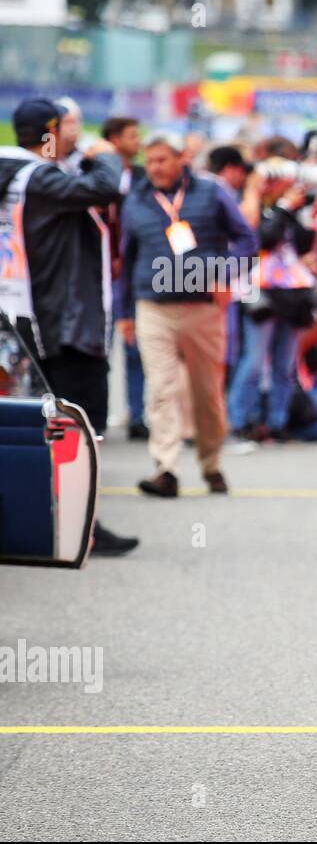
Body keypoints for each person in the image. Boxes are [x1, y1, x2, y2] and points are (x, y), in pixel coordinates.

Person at [0, 97, 138, 556]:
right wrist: (107, 155)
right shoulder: (41, 178)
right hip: (59, 323)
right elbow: (104, 187)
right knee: (76, 425)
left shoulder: (13, 173)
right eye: (71, 126)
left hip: (21, 315)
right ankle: (78, 526)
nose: (78, 136)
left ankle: (46, 520)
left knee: (30, 426)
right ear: (51, 129)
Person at [118, 132, 258, 497]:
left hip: (203, 308)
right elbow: (127, 257)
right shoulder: (136, 198)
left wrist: (224, 276)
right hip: (153, 307)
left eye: (162, 160)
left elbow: (246, 239)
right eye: (150, 161)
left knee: (206, 392)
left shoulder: (212, 192)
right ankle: (165, 468)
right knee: (160, 390)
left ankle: (211, 463)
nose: (154, 168)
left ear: (182, 159)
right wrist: (124, 312)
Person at [228, 157, 317, 442]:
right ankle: (240, 420)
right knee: (254, 361)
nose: (284, 186)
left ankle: (277, 422)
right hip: (260, 290)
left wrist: (299, 212)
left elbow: (305, 243)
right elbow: (263, 239)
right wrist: (281, 207)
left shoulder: (291, 209)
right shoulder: (255, 206)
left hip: (292, 291)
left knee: (284, 364)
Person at [103, 116, 149, 441]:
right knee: (100, 346)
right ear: (114, 139)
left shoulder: (143, 178)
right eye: (133, 136)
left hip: (132, 270)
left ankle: (138, 415)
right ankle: (95, 413)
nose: (139, 142)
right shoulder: (96, 175)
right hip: (100, 272)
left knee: (136, 346)